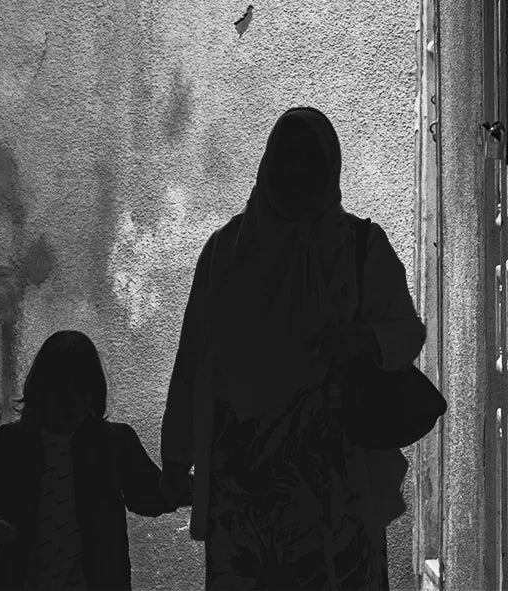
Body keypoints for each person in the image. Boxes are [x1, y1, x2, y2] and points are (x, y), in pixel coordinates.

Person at [159, 107, 428, 590]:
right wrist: (176, 459)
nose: (299, 172)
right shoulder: (225, 252)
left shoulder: (360, 248)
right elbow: (194, 359)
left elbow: (407, 333)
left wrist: (362, 339)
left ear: (330, 169)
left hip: (335, 477)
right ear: (269, 164)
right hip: (244, 487)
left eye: (312, 161)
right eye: (289, 159)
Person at [0, 330, 176, 590]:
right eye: (63, 393)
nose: (72, 404)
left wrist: (181, 488)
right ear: (44, 392)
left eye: (81, 391)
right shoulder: (10, 443)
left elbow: (146, 494)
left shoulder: (114, 442)